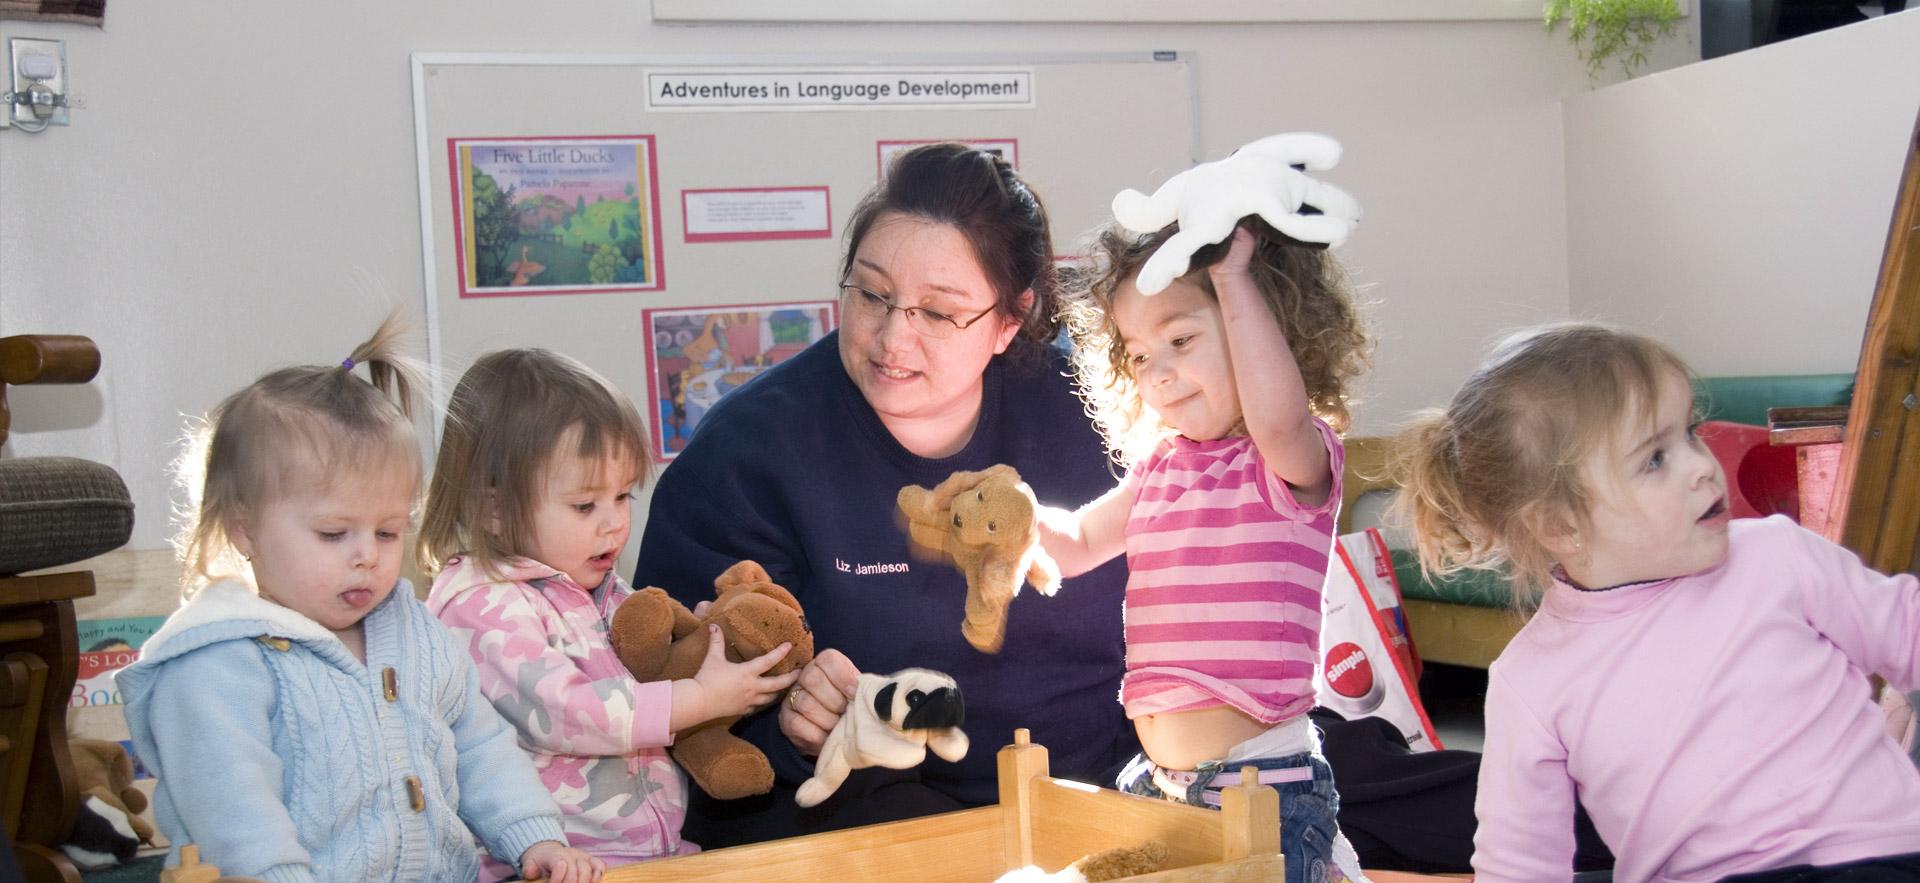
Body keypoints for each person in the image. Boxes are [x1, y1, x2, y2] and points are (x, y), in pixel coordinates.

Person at [633, 142, 1139, 845]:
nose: (891, 337)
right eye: (872, 293)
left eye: (938, 312)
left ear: (1010, 319)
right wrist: (790, 727)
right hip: (867, 826)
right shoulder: (748, 452)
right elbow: (668, 680)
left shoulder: (1099, 420)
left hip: (1103, 801)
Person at [1391, 322, 1920, 881]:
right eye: (1655, 460)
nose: (1701, 465)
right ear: (1559, 524)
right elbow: (1519, 863)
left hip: (1880, 858)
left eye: (1690, 433)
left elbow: (1907, 631)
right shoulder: (1532, 679)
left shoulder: (1779, 556)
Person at [118, 318, 601, 883]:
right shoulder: (217, 661)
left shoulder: (417, 634)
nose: (367, 556)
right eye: (333, 534)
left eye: (389, 532)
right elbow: (230, 802)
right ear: (243, 529)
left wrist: (533, 834)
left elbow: (479, 747)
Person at [1037, 203, 1370, 883]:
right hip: (1161, 786)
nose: (1157, 373)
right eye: (1139, 354)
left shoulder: (1283, 459)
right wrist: (1005, 520)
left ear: (1266, 327)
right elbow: (1071, 543)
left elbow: (1276, 413)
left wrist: (1236, 280)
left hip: (1265, 785)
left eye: (1181, 341)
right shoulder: (1161, 470)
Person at [420, 348, 799, 875]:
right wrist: (699, 697)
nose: (613, 524)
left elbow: (646, 665)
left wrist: (701, 640)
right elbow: (568, 712)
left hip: (645, 852)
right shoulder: (481, 606)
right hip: (547, 864)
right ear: (495, 508)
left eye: (622, 497)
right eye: (584, 506)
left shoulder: (591, 580)